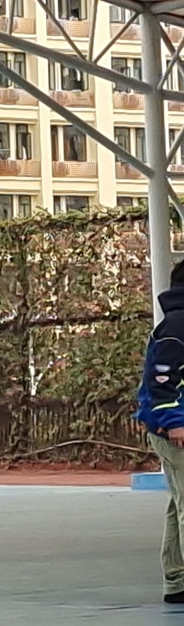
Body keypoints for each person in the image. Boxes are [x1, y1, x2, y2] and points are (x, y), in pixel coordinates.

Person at [136, 259, 184, 604]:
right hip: (174, 431)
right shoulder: (177, 326)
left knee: (178, 502)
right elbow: (162, 380)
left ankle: (176, 579)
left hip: (172, 427)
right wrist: (175, 422)